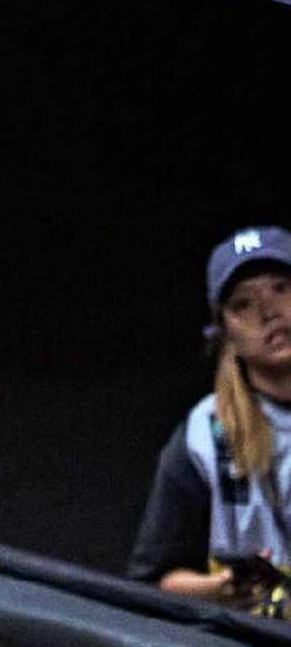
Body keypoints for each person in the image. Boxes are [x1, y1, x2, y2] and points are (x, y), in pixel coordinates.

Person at [129, 226, 291, 618]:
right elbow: (153, 583)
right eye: (243, 304)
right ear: (225, 333)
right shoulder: (203, 435)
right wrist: (227, 587)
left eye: (281, 289)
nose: (269, 312)